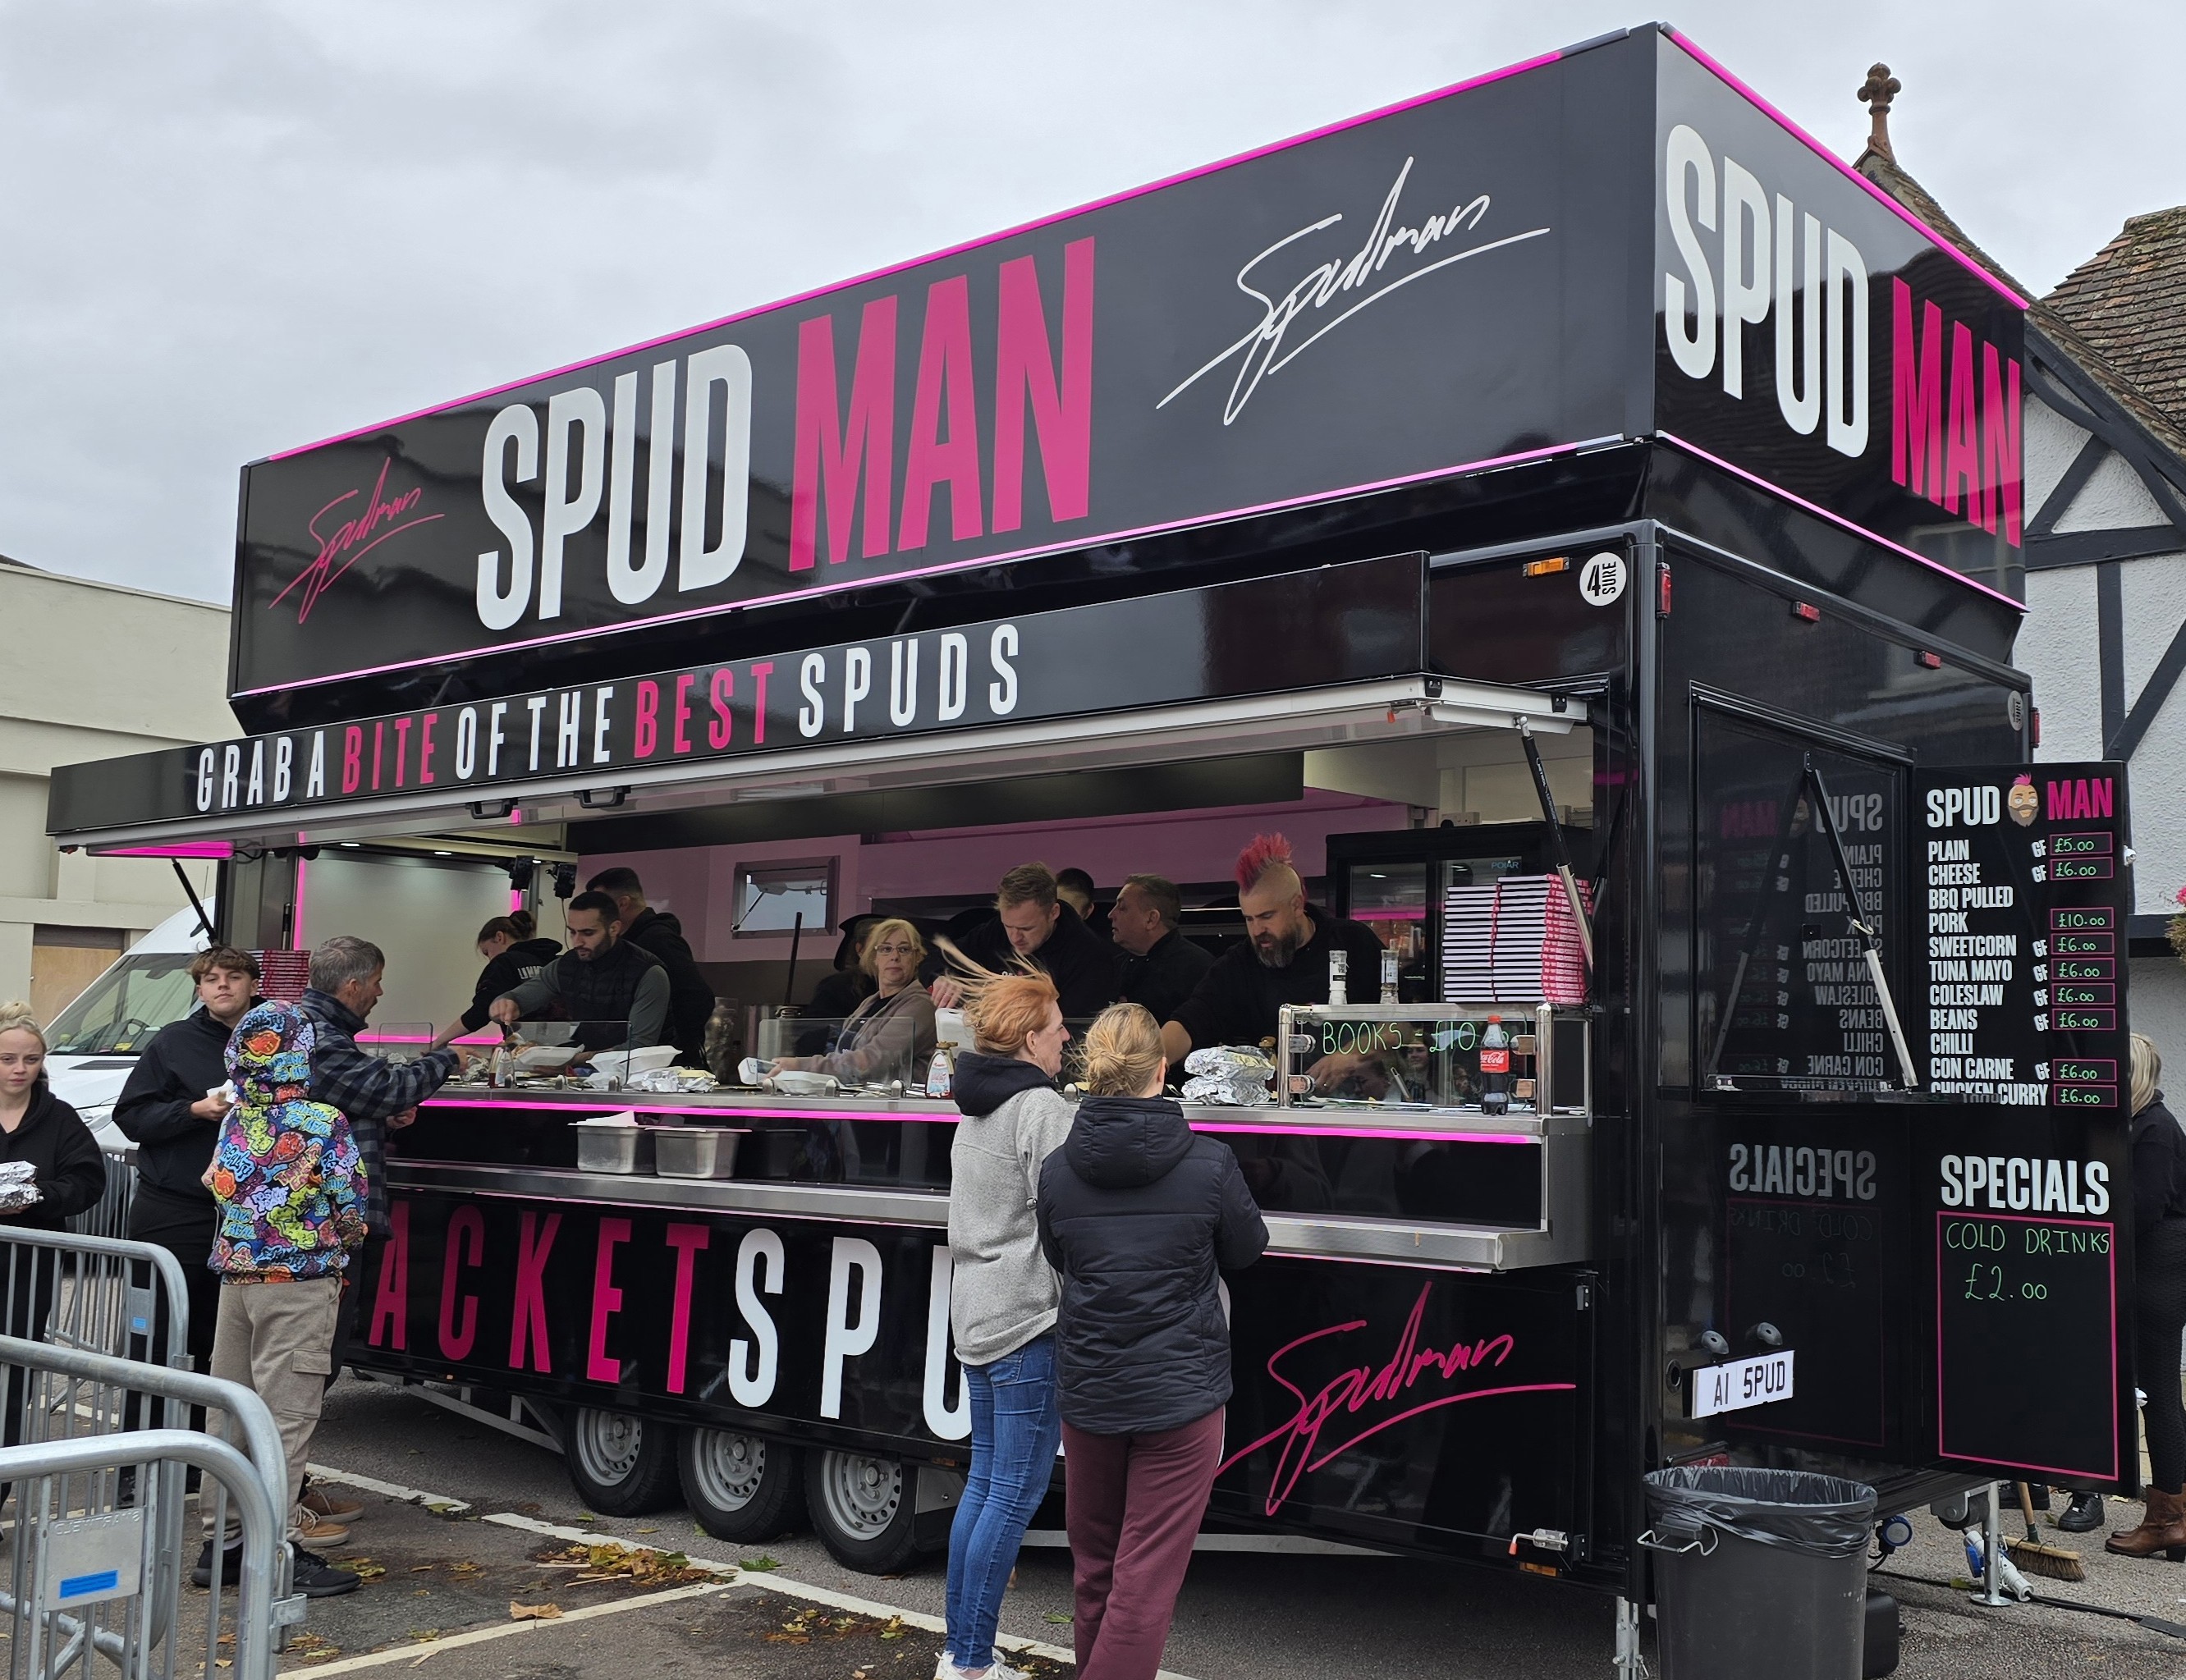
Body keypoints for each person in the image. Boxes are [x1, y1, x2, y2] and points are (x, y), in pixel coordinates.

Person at [1037, 1004, 1267, 1680]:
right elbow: (1247, 1250)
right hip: (1181, 1394)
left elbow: (1060, 1254)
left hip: (1089, 1392)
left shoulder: (1056, 1169)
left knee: (1095, 1569)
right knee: (1144, 1582)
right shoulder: (1210, 1163)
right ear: (1161, 1069)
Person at [195, 1000, 367, 1599]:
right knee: (285, 1422)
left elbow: (212, 1182)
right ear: (302, 1055)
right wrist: (343, 1236)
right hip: (298, 1285)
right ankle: (277, 1553)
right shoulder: (323, 1121)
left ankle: (222, 1545)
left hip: (237, 1281)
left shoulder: (233, 1118)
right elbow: (351, 1202)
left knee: (232, 1418)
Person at [937, 964, 1076, 1680]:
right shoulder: (1041, 1109)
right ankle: (968, 1662)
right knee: (1012, 1495)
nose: (1066, 1040)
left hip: (979, 1314)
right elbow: (1069, 1215)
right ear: (1029, 1037)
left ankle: (961, 1653)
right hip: (1027, 1321)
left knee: (986, 1488)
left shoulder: (975, 1104)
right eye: (1057, 1030)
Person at [299, 937, 465, 1385]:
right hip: (322, 1223)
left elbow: (346, 1103)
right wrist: (448, 1059)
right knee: (311, 1359)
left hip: (320, 1222)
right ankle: (272, 1451)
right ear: (352, 986)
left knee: (318, 1349)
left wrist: (384, 1121)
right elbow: (384, 1088)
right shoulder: (318, 1035)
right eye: (376, 982)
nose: (380, 992)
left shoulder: (312, 1030)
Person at [1160, 834, 1386, 1067]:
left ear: (1297, 905)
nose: (1257, 930)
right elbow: (1192, 1019)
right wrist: (1151, 1063)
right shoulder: (1239, 964)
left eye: (1267, 916)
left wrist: (1351, 1055)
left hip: (1360, 1097)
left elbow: (1404, 1024)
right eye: (1249, 919)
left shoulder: (1354, 941)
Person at [0, 1000, 109, 1447]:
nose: (19, 1069)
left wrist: (38, 1195)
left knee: (14, 1378)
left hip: (29, 1266)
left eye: (31, 1059)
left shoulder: (59, 1116)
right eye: (8, 1059)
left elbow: (87, 1180)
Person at [2105, 1034, 2186, 1559]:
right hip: (2158, 1269)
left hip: (2159, 1271)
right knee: (2161, 1393)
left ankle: (2166, 1519)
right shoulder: (2144, 1125)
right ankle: (2174, 1513)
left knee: (2156, 1393)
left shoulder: (2153, 1131)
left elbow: (2142, 1210)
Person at [930, 864, 1121, 1021]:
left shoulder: (1091, 957)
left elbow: (1072, 1033)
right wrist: (942, 977)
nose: (1015, 938)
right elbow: (932, 960)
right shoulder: (996, 930)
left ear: (1053, 913)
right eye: (1008, 926)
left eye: (1026, 929)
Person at [490, 891, 671, 1051]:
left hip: (643, 1079)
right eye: (572, 932)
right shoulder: (565, 966)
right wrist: (503, 1004)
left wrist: (574, 1060)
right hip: (581, 1072)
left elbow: (639, 1046)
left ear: (614, 928)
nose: (577, 942)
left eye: (588, 933)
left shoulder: (649, 973)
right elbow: (516, 998)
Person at [772, 919, 936, 1087]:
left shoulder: (921, 1004)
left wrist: (800, 1066)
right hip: (862, 1101)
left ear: (917, 958)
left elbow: (871, 1061)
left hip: (900, 1108)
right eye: (886, 949)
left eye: (904, 949)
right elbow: (844, 1055)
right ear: (874, 958)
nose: (894, 957)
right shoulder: (868, 1003)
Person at [585, 867, 718, 1060]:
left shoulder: (658, 941)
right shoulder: (622, 945)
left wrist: (669, 1045)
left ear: (622, 904)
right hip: (627, 1056)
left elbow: (697, 997)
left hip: (659, 1063)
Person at [1109, 875, 1212, 1030]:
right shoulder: (1116, 964)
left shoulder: (1196, 970)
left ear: (1151, 919)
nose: (1111, 915)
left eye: (1122, 908)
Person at [448, 913, 560, 1040]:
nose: (490, 958)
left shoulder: (504, 963)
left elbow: (481, 1010)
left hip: (526, 1047)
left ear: (499, 937)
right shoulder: (554, 961)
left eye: (487, 952)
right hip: (567, 1042)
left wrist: (441, 1040)